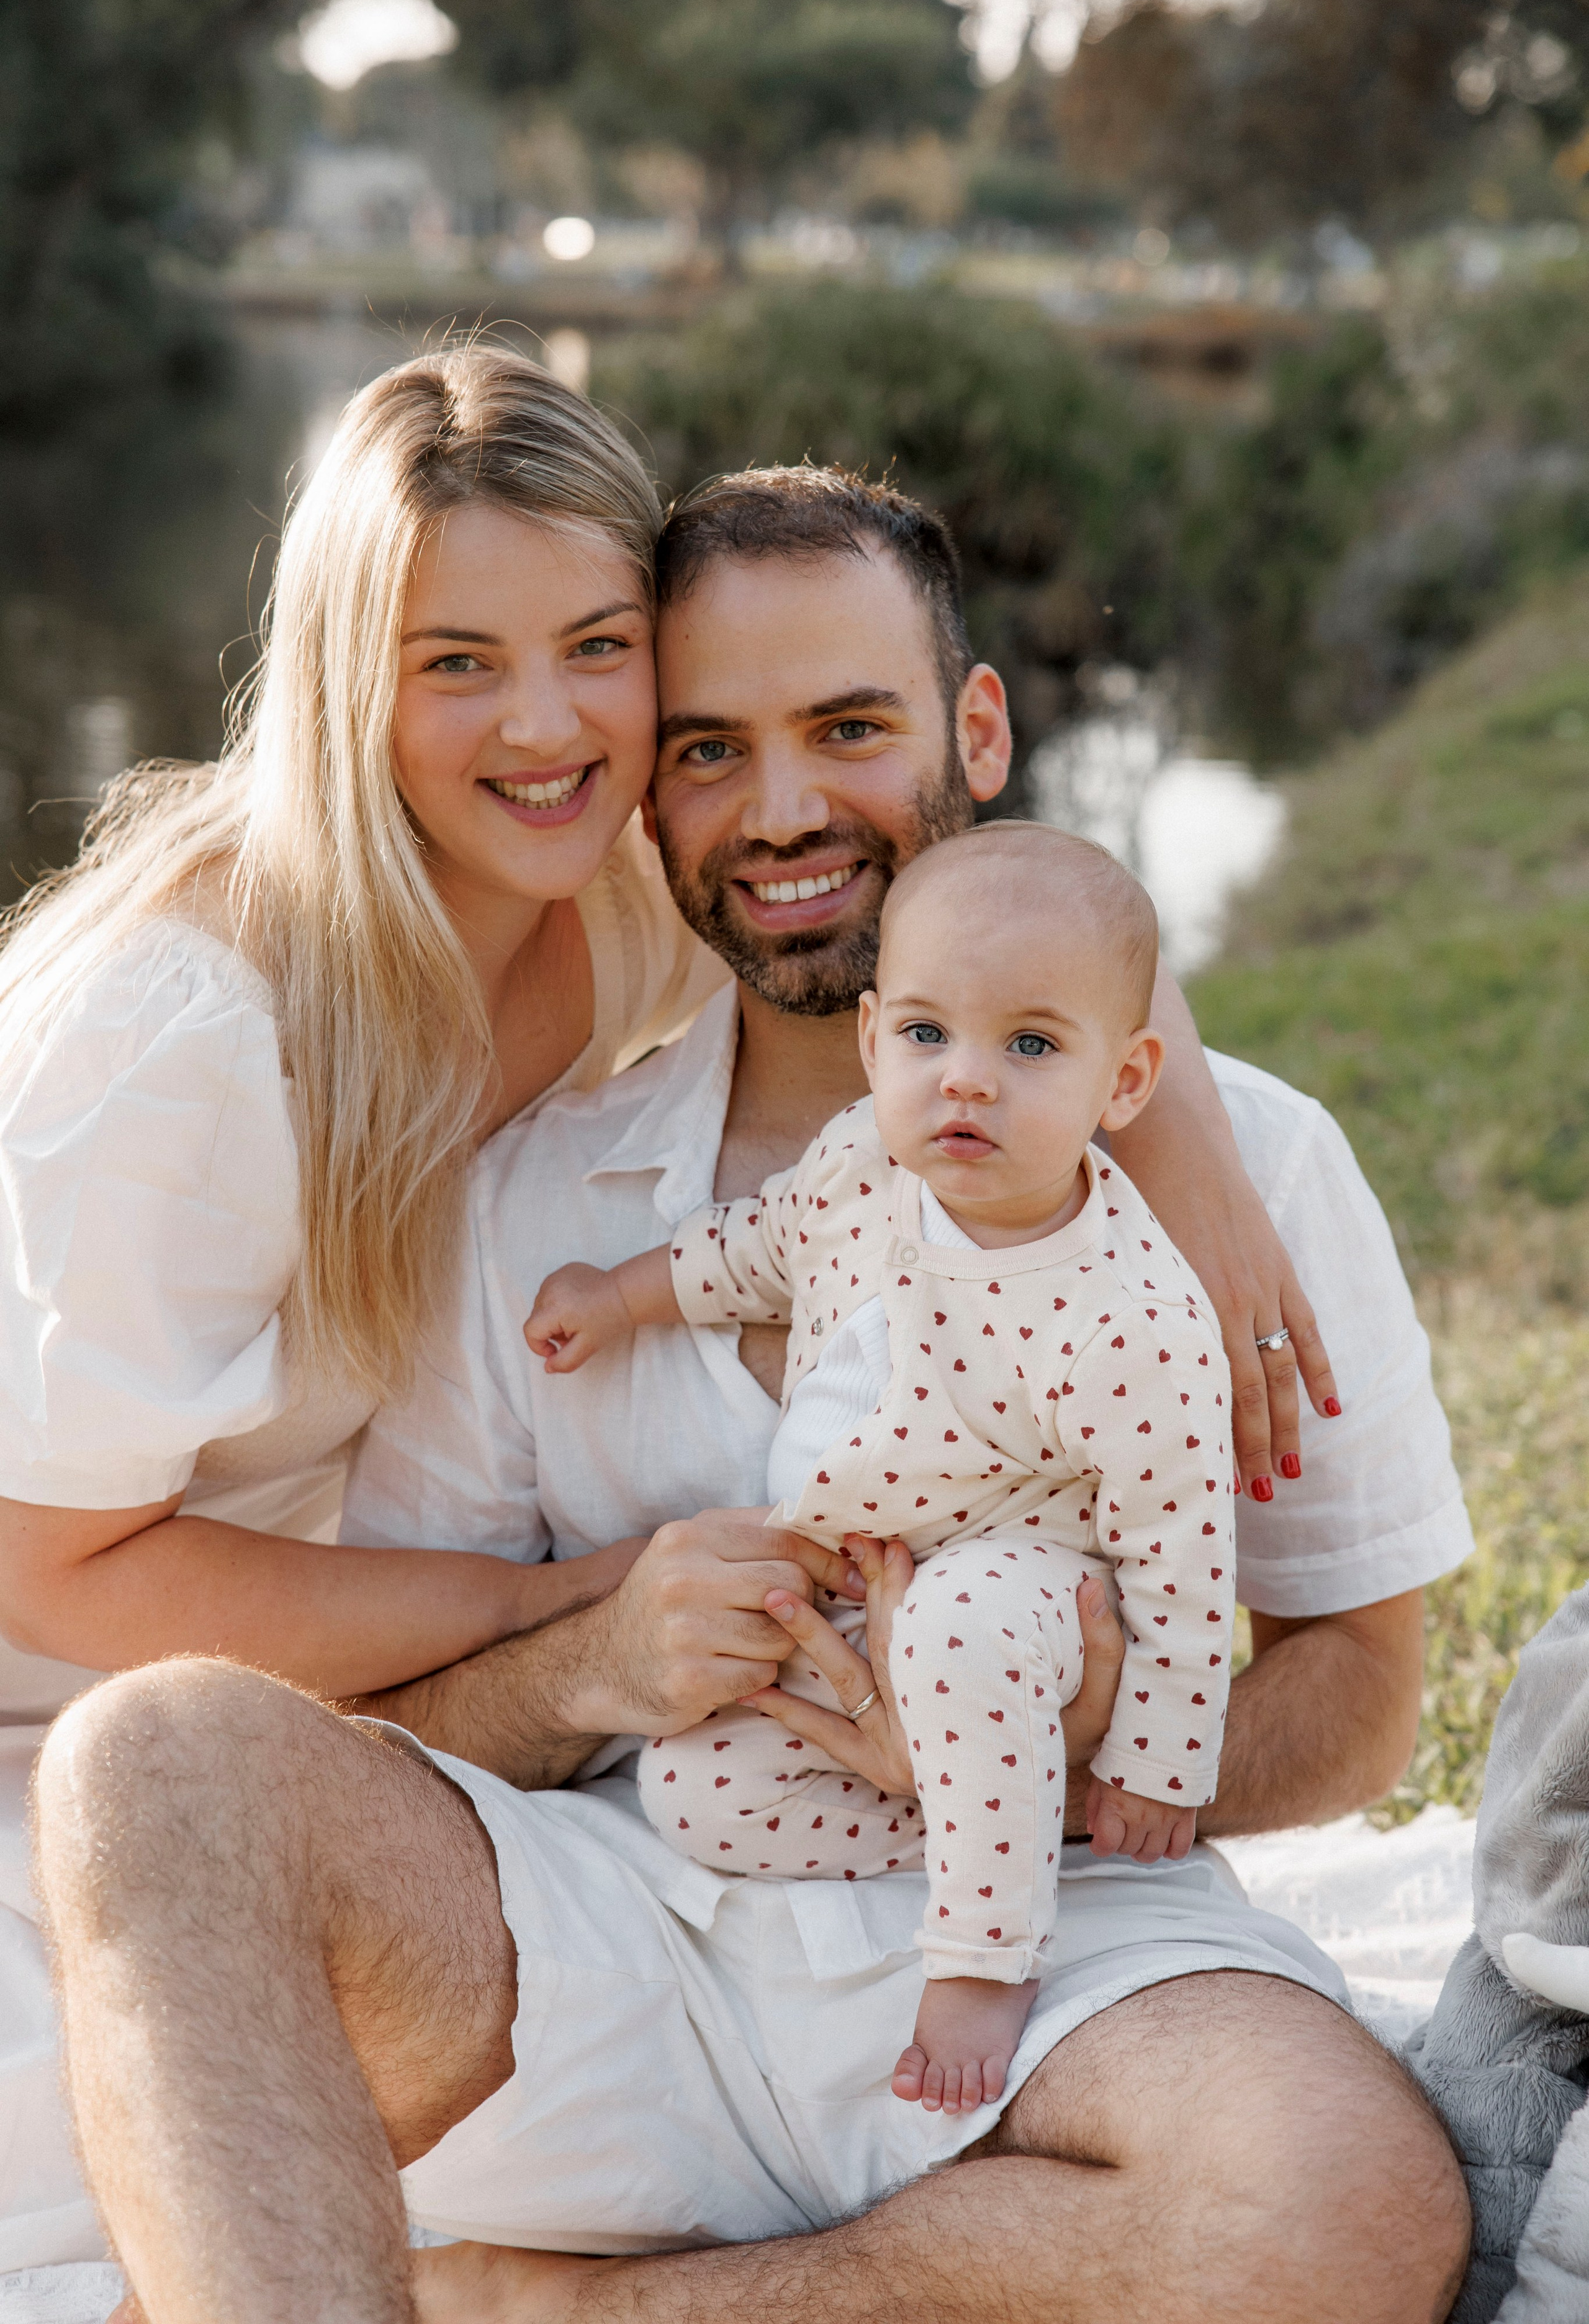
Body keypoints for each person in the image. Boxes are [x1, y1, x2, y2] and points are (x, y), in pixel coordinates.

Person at [35, 468, 1474, 2324]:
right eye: (709, 749)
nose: (784, 812)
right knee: (152, 1763)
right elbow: (400, 1726)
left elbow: (1360, 1699)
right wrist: (593, 1664)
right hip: (626, 1921)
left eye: (851, 730)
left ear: (977, 730)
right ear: (644, 798)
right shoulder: (532, 1189)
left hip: (1056, 1949)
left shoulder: (1247, 1172)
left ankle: (550, 2306)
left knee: (1346, 2206)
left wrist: (1080, 1747)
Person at [0, 341, 739, 2269]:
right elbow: (61, 1571)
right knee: (147, 2212)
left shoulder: (616, 894)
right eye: (456, 664)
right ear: (349, 680)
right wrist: (547, 1601)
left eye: (599, 642)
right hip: (52, 1717)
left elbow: (954, 896)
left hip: (291, 1690)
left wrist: (1212, 1178)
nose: (549, 725)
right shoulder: (190, 1029)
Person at [527, 821, 1238, 2115]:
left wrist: (1157, 1760)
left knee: (962, 1624)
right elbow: (755, 1248)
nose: (963, 1082)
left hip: (1021, 1574)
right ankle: (1013, 1819)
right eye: (925, 1036)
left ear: (1122, 1081)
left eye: (1028, 1046)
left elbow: (1179, 1550)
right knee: (692, 1791)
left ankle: (983, 1955)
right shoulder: (859, 1163)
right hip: (864, 1579)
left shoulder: (1125, 1314)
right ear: (871, 1044)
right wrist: (620, 1296)